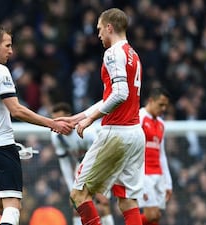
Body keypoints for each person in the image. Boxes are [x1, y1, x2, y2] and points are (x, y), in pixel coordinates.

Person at [0, 25, 73, 225]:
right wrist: (51, 123)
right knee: (13, 207)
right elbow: (16, 110)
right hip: (1, 146)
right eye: (7, 45)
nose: (11, 51)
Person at [56, 8, 145, 225]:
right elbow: (113, 96)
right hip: (135, 133)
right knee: (127, 201)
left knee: (78, 194)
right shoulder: (133, 54)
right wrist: (79, 117)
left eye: (99, 29)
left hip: (116, 132)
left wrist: (89, 120)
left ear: (109, 27)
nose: (98, 35)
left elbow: (120, 93)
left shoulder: (113, 53)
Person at [50, 102, 114, 225]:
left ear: (68, 118)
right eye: (55, 121)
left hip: (101, 164)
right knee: (77, 205)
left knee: (103, 204)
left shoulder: (87, 131)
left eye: (60, 121)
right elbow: (65, 164)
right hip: (82, 167)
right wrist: (70, 189)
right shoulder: (56, 136)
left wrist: (100, 182)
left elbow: (102, 155)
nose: (57, 125)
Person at [138, 87, 173, 225]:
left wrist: (168, 182)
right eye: (161, 104)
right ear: (151, 101)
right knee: (151, 215)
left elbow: (162, 154)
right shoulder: (139, 118)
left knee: (156, 217)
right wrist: (137, 178)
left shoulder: (161, 124)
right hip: (144, 174)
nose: (163, 108)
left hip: (158, 174)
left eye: (166, 105)